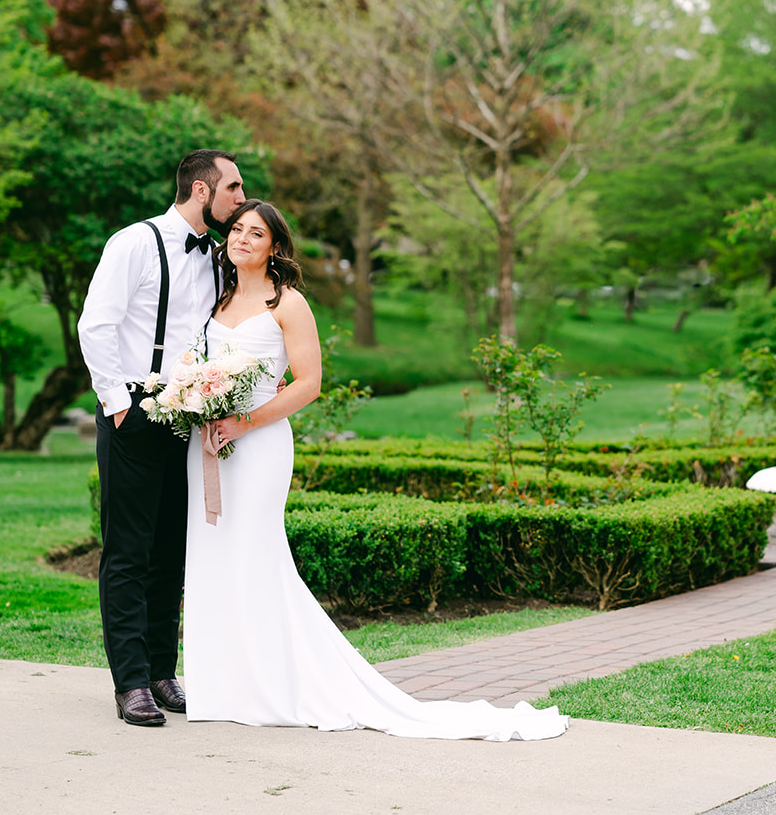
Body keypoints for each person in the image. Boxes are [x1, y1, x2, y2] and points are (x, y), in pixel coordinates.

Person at [182, 199, 567, 741]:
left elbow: (308, 384)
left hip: (259, 444)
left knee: (255, 554)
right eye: (238, 229)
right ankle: (223, 686)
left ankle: (277, 684)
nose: (242, 238)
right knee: (212, 554)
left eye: (256, 233)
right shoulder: (215, 297)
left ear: (274, 247)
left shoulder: (287, 303)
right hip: (209, 445)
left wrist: (245, 421)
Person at [78, 150, 247, 726]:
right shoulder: (133, 243)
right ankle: (130, 684)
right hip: (135, 410)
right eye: (234, 189)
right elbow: (95, 324)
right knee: (128, 551)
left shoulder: (220, 258)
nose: (241, 200)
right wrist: (118, 405)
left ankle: (159, 671)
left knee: (172, 550)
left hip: (190, 416)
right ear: (202, 191)